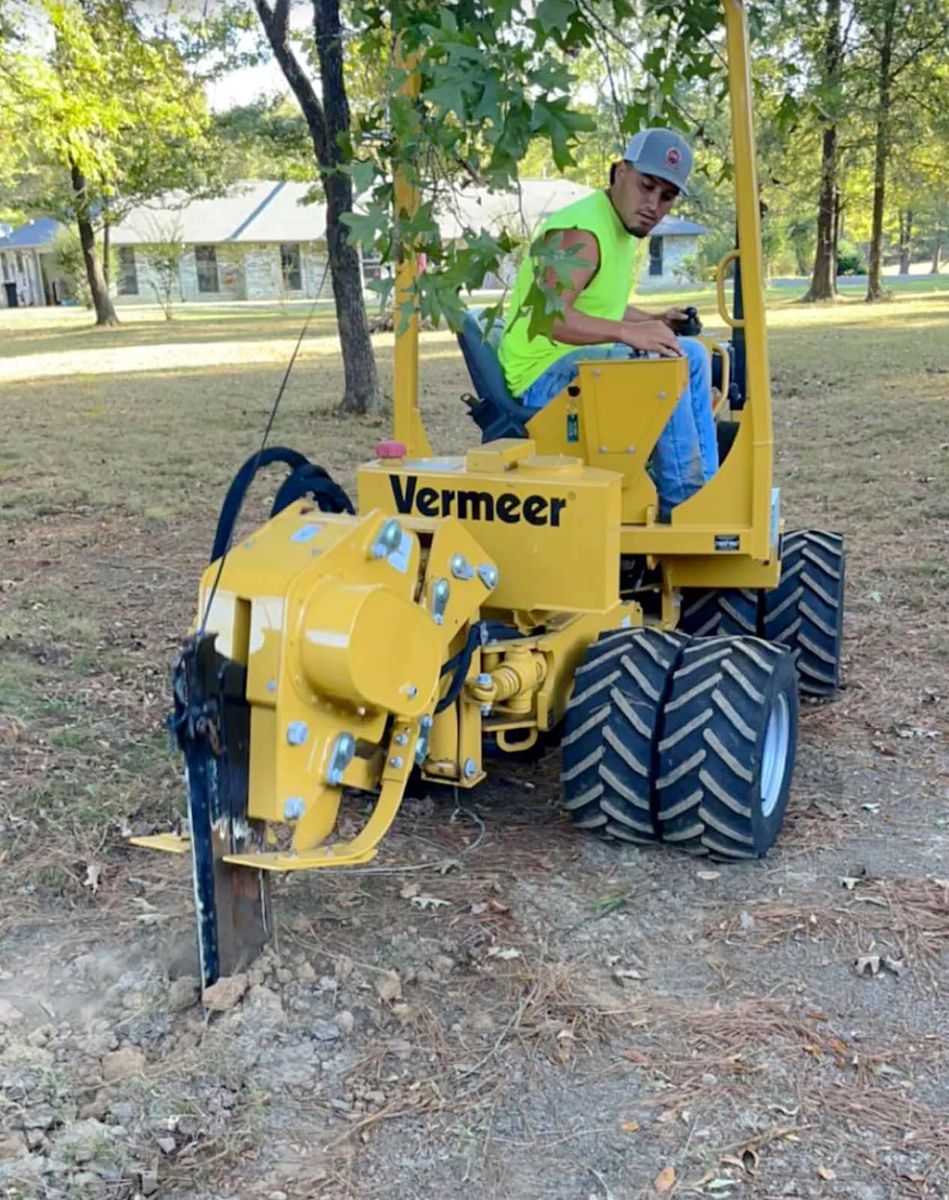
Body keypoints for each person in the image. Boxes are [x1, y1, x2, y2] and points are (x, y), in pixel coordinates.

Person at [498, 128, 718, 517]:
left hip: (577, 361)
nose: (653, 204)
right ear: (619, 173)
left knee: (693, 355)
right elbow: (549, 318)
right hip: (540, 376)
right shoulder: (579, 234)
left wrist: (652, 321)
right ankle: (684, 505)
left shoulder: (620, 228)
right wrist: (630, 333)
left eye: (666, 196)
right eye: (646, 186)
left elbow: (597, 303)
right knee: (659, 365)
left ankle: (708, 492)